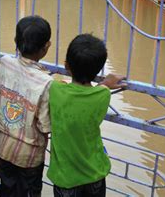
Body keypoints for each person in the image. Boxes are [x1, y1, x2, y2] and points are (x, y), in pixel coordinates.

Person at [47, 34, 125, 197]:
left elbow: (59, 85)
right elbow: (102, 88)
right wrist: (106, 83)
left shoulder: (55, 90)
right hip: (94, 174)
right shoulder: (102, 95)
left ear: (66, 65)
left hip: (65, 178)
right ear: (98, 70)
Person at [0, 15, 53, 197]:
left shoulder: (3, 63)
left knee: (7, 188)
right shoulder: (47, 82)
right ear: (46, 47)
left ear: (15, 42)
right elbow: (44, 125)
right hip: (30, 156)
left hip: (4, 146)